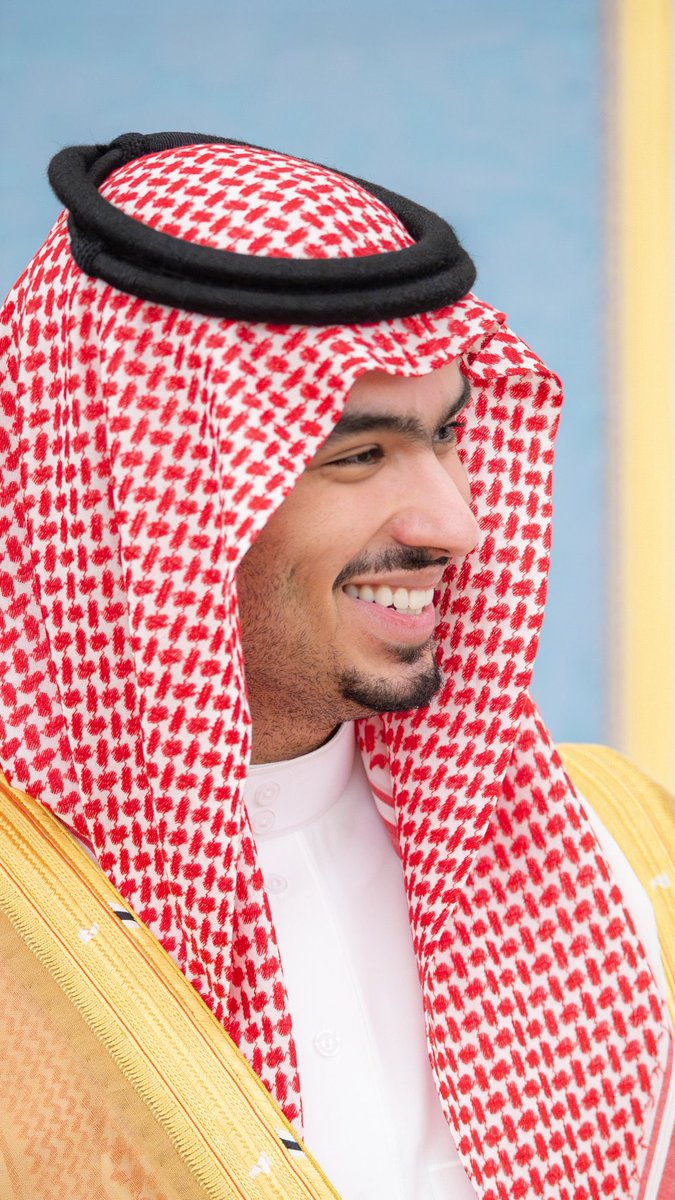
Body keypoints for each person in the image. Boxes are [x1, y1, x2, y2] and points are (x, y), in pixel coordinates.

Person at [0, 132, 673, 1199]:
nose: (456, 526)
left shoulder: (612, 858)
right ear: (153, 493)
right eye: (358, 455)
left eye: (447, 437)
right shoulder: (24, 920)